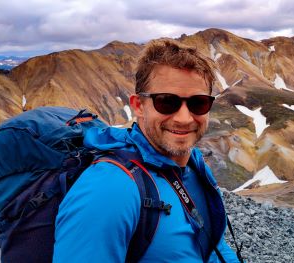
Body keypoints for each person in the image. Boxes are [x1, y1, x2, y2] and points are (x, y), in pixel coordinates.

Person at [53, 39, 240, 262]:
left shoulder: (195, 165)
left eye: (198, 103)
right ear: (139, 106)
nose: (183, 118)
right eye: (166, 102)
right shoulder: (109, 189)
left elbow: (213, 245)